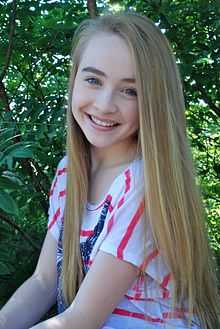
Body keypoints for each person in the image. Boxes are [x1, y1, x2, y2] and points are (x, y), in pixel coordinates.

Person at [0, 12, 219, 329]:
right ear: (74, 80)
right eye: (93, 80)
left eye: (130, 91)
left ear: (154, 102)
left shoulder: (143, 184)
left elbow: (83, 318)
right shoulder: (68, 174)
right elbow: (44, 281)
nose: (104, 104)